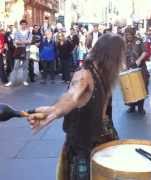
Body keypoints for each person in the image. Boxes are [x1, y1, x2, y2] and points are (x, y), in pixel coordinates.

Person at [27, 33, 125, 180]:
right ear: (113, 57)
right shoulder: (85, 75)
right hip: (83, 147)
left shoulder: (104, 75)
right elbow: (72, 96)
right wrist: (54, 111)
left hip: (100, 141)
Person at [124, 26, 149, 114]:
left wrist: (139, 60)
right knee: (130, 88)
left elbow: (145, 51)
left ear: (133, 34)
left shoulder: (139, 41)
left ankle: (141, 107)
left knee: (141, 87)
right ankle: (132, 107)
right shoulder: (124, 42)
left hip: (140, 68)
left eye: (129, 35)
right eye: (126, 35)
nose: (128, 37)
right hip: (128, 68)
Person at [5, 19, 32, 87]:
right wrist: (24, 42)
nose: (23, 25)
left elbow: (29, 41)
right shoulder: (17, 32)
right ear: (20, 25)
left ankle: (24, 80)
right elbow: (16, 42)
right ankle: (11, 81)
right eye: (22, 24)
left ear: (26, 25)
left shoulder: (29, 33)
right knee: (15, 66)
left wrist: (21, 42)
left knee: (25, 66)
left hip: (27, 51)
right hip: (19, 51)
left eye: (24, 24)